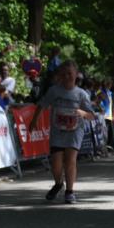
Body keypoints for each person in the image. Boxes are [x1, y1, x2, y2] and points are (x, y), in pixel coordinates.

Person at [30, 60, 96, 204]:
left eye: (70, 74)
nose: (67, 76)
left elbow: (92, 115)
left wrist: (82, 113)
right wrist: (34, 121)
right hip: (58, 130)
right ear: (60, 75)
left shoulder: (81, 94)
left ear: (76, 75)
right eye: (64, 74)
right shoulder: (54, 91)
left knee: (70, 160)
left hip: (74, 131)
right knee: (56, 163)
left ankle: (70, 191)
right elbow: (42, 105)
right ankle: (59, 184)